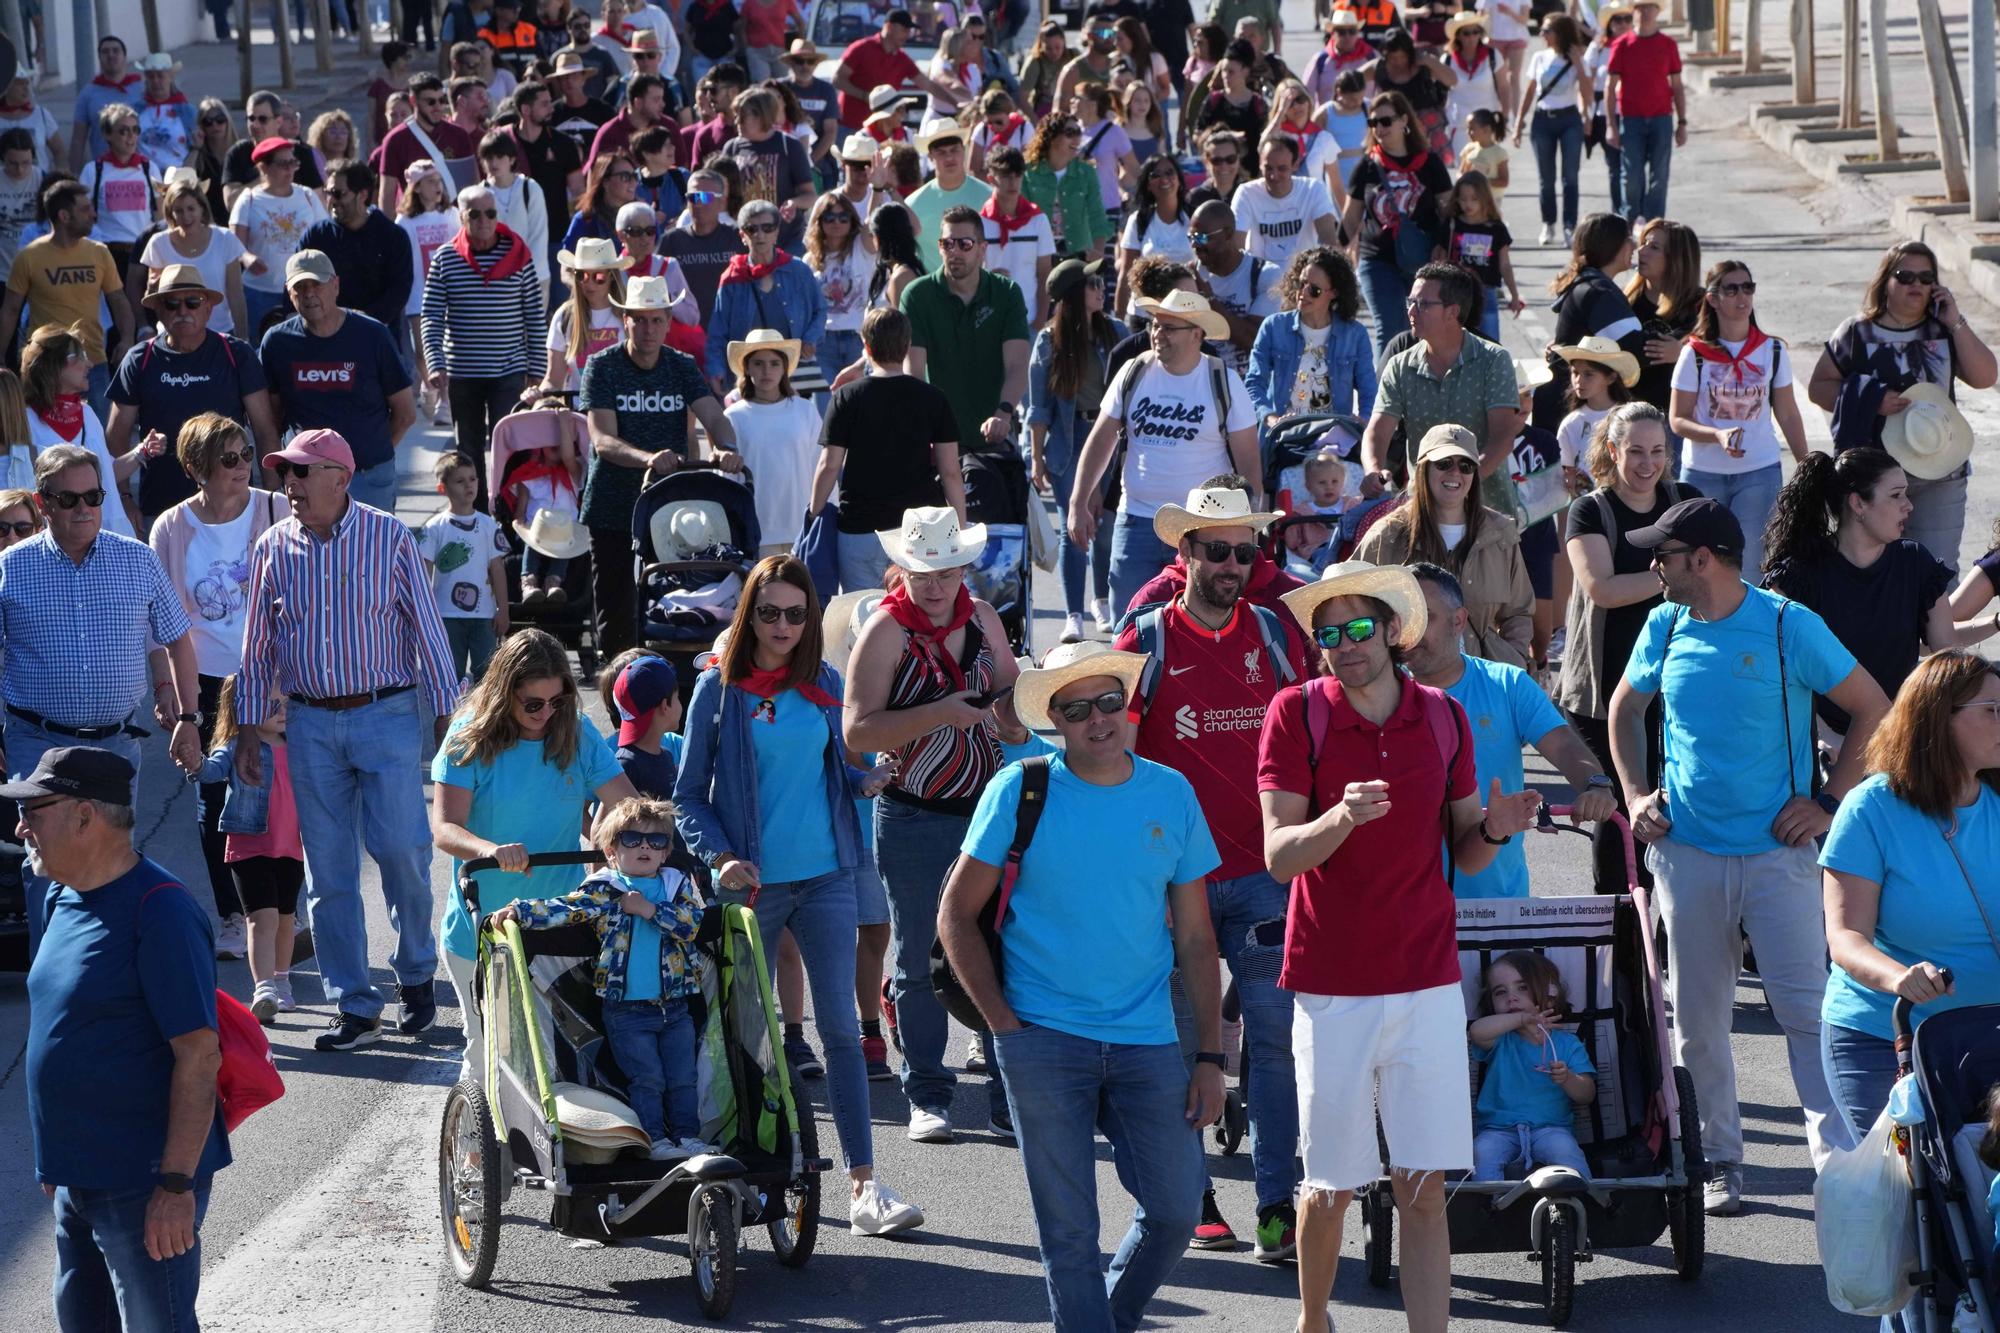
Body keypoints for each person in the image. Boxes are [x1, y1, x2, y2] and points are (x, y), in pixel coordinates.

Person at [1260, 559, 1542, 1333]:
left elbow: (1466, 848)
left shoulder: (1444, 717)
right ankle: (1313, 1321)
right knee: (1329, 1186)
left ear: (1392, 630)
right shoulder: (1296, 713)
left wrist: (1495, 828)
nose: (1344, 646)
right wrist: (1339, 818)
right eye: (1328, 635)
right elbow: (1280, 855)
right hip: (1332, 985)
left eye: (1358, 628)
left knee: (1423, 1189)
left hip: (1426, 982)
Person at [1607, 496, 1890, 1213]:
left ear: (1703, 560)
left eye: (1664, 555)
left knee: (1807, 1014)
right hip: (1687, 856)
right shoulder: (1664, 624)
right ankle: (1718, 1160)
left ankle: (1840, 1167)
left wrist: (1829, 801)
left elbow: (1874, 706)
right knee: (1698, 1023)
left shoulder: (1790, 625)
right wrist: (1635, 795)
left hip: (1777, 860)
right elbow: (1623, 709)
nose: (1654, 567)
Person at [939, 639, 1225, 1326]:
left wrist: (1211, 1057)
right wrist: (1003, 1026)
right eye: (1076, 709)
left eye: (1109, 701)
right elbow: (955, 913)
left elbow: (1195, 938)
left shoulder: (1172, 791)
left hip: (1147, 1038)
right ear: (1055, 720)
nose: (1097, 719)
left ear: (1128, 705)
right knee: (1069, 1235)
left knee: (1176, 1211)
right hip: (1041, 1037)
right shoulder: (1020, 789)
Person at [673, 555, 930, 1229]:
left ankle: (864, 1187)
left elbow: (841, 768)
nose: (783, 625)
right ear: (749, 614)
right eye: (769, 612)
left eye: (795, 613)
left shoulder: (824, 682)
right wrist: (722, 857)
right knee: (743, 1036)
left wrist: (868, 779)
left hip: (828, 878)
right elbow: (687, 798)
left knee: (841, 1030)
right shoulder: (718, 689)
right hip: (752, 889)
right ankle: (742, 1168)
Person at [1107, 484, 1309, 1260]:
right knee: (1186, 1048)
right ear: (1184, 552)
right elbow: (1115, 763)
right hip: (1175, 884)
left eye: (1244, 552)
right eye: (1216, 549)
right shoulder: (1146, 638)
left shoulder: (1275, 632)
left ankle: (1277, 1204)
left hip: (1264, 875)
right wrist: (1139, 877)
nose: (1232, 564)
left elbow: (1307, 744)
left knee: (1276, 1043)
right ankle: (1193, 1196)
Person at [237, 427, 461, 1053]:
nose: (289, 484)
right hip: (308, 723)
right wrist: (249, 730)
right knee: (328, 872)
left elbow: (427, 627)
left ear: (341, 476)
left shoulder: (388, 536)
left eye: (301, 472)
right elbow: (257, 646)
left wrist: (447, 715)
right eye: (285, 472)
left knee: (402, 851)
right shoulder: (273, 546)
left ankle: (415, 974)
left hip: (385, 711)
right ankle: (355, 1006)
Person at [20, 746, 231, 1333]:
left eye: (33, 812)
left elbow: (199, 1056)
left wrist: (175, 1187)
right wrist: (57, 1154)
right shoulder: (60, 896)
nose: (21, 829)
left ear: (85, 816)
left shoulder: (160, 911)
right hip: (76, 1177)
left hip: (143, 1184)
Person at [844, 507, 1021, 1142]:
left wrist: (1013, 719)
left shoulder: (984, 618)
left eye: (946, 572)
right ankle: (927, 1093)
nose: (935, 585)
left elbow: (1012, 694)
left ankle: (1005, 1096)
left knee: (995, 952)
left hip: (986, 814)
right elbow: (858, 731)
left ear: (963, 568)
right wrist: (941, 711)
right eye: (922, 573)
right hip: (913, 816)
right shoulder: (886, 630)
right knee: (919, 956)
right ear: (903, 570)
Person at [1819, 649, 2000, 1142]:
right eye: (1992, 709)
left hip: (1989, 1038)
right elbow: (1846, 937)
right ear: (1940, 718)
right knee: (1913, 1183)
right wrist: (1900, 977)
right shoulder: (1870, 808)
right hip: (1886, 1040)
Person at [430, 629, 634, 1064]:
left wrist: (643, 840)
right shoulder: (467, 736)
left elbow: (627, 806)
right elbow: (445, 828)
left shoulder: (576, 731)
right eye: (533, 704)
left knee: (558, 1056)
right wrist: (491, 850)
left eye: (557, 701)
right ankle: (475, 1109)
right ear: (504, 693)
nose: (546, 713)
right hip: (483, 929)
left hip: (559, 925)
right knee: (490, 1055)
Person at [148, 411, 292, 963]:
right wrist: (167, 688)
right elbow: (159, 620)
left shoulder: (275, 508)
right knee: (215, 798)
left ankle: (285, 909)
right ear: (196, 467)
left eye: (246, 454)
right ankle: (235, 914)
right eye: (228, 458)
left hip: (276, 676)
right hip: (207, 682)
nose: (242, 465)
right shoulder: (171, 527)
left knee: (287, 792)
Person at [493, 795, 710, 1157]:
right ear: (611, 851)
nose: (644, 847)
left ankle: (689, 1138)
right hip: (626, 1010)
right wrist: (521, 911)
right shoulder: (605, 888)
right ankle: (655, 1140)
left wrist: (649, 909)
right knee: (647, 1078)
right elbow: (565, 908)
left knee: (683, 1077)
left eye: (655, 841)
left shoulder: (677, 885)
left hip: (675, 1006)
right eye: (632, 839)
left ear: (665, 853)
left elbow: (692, 925)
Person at [1403, 561, 1616, 896]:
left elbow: (1564, 746)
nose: (1410, 630)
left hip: (1498, 906)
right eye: (1403, 617)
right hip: (1405, 908)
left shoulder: (1506, 684)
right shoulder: (1382, 695)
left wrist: (1596, 784)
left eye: (1424, 617)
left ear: (1458, 621)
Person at [1555, 401, 1690, 890]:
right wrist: (1676, 574)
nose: (1647, 463)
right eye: (1635, 451)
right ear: (1612, 451)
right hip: (1603, 691)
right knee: (1619, 812)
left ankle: (1664, 924)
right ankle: (1617, 928)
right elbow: (1603, 589)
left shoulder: (1685, 500)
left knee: (1675, 811)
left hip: (1674, 689)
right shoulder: (1590, 510)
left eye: (1657, 451)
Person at [1806, 240, 1998, 570]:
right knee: (1875, 571)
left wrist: (1956, 320)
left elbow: (1986, 376)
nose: (1916, 284)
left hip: (1941, 471)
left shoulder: (1944, 330)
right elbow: (1818, 387)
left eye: (1926, 278)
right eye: (1905, 276)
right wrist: (1871, 400)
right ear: (1886, 282)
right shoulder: (1857, 331)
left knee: (1937, 571)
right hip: (1874, 480)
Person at [1067, 288, 1260, 616]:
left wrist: (1248, 530)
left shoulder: (1223, 381)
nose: (1158, 334)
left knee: (1198, 623)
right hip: (1137, 520)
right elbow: (1101, 440)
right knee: (1128, 622)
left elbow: (1250, 465)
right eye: (1154, 325)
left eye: (1169, 328)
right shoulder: (1134, 372)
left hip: (1203, 528)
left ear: (1196, 334)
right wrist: (1078, 501)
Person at [580, 275, 737, 655]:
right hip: (613, 503)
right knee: (616, 610)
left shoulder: (681, 365)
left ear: (668, 322)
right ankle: (617, 679)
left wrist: (727, 448)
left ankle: (669, 678)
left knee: (674, 601)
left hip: (668, 508)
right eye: (640, 319)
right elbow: (602, 440)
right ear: (626, 320)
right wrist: (648, 458)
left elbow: (715, 417)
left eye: (656, 320)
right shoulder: (601, 365)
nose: (648, 328)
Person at [1761, 448, 1956, 737]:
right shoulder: (1797, 577)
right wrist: (1826, 739)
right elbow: (1773, 671)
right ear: (1858, 504)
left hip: (1898, 734)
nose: (1909, 506)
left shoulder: (1916, 562)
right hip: (1819, 739)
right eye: (1896, 495)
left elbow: (1948, 660)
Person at [107, 265, 280, 525]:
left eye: (193, 302)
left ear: (208, 308)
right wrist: (124, 498)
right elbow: (116, 436)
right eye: (172, 303)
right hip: (161, 507)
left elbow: (265, 430)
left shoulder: (236, 354)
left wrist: (271, 502)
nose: (183, 311)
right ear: (158, 309)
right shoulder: (140, 359)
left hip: (233, 508)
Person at [1666, 260, 1807, 577]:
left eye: (1748, 287)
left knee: (1750, 569)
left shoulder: (1771, 350)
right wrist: (1716, 435)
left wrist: (1806, 464)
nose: (1742, 296)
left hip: (1760, 472)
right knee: (1698, 568)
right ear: (1713, 299)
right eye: (1731, 289)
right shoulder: (1694, 353)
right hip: (1702, 474)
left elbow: (1787, 413)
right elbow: (1678, 419)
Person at [811, 308, 967, 594]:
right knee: (917, 613)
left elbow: (829, 465)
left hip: (860, 527)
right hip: (920, 531)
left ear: (866, 347)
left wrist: (814, 513)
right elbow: (950, 472)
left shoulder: (846, 397)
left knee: (862, 612)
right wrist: (960, 527)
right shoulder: (934, 398)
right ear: (907, 346)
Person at [1357, 423, 1534, 666]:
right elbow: (1355, 608)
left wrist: (1514, 659)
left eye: (1466, 465)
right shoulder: (1387, 534)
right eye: (1444, 463)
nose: (1455, 473)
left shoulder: (1500, 533)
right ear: (1423, 469)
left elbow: (1518, 612)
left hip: (1482, 677)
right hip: (1409, 679)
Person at [260, 250, 419, 516]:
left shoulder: (373, 335)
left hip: (368, 477)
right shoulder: (276, 342)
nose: (309, 293)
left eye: (316, 284)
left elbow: (406, 414)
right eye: (300, 287)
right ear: (289, 292)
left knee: (371, 544)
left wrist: (372, 454)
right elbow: (271, 416)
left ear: (335, 285)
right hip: (305, 478)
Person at [422, 185, 544, 502]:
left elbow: (534, 314)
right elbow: (431, 315)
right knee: (468, 449)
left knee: (510, 445)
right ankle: (475, 514)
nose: (484, 221)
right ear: (461, 217)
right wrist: (435, 361)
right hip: (463, 372)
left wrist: (537, 368)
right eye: (475, 214)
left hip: (509, 370)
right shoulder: (446, 258)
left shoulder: (518, 254)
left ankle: (508, 510)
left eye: (490, 213)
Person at [1363, 262, 1521, 505]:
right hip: (1423, 508)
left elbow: (1502, 437)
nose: (1411, 311)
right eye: (1410, 302)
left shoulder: (1494, 360)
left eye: (1423, 304)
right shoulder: (1399, 366)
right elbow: (1377, 430)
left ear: (1452, 312)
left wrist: (1461, 483)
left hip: (1487, 507)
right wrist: (1373, 469)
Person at [195, 674, 305, 1017]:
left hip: (292, 846)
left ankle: (282, 982)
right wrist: (193, 762)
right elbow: (211, 772)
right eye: (273, 705)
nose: (282, 711)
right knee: (261, 919)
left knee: (285, 919)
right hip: (248, 845)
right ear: (245, 707)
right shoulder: (236, 746)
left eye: (286, 703)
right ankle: (264, 988)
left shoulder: (299, 744)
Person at [1028, 258, 1123, 642]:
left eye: (1101, 281)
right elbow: (1038, 408)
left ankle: (1101, 601)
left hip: (1111, 439)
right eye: (1092, 283)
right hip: (1068, 442)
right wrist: (1036, 457)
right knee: (1075, 529)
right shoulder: (1049, 340)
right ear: (1072, 293)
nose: (1101, 288)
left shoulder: (1115, 331)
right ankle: (1073, 616)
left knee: (1105, 527)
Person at [900, 206, 1031, 464]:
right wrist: (925, 425)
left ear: (982, 249)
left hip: (994, 433)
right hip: (939, 437)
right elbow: (913, 372)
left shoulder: (1006, 293)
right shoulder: (917, 295)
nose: (955, 251)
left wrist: (1003, 413)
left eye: (965, 244)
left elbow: (1017, 365)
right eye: (947, 244)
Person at [0, 178, 136, 419]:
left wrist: (127, 339)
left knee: (97, 434)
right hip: (46, 366)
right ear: (64, 216)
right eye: (85, 209)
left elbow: (118, 300)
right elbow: (10, 310)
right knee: (41, 434)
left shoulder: (99, 252)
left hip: (93, 362)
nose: (93, 214)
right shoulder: (28, 257)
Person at [1338, 92, 1453, 360]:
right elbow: (1350, 218)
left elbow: (1449, 210)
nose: (1379, 128)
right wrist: (1336, 260)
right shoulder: (1367, 166)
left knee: (1423, 329)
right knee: (1390, 328)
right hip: (1377, 259)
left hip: (1422, 260)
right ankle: (1386, 386)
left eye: (1386, 121)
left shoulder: (1429, 163)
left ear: (1404, 120)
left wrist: (1442, 244)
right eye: (1373, 123)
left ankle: (1420, 382)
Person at [1467, 949, 1597, 1179]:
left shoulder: (1567, 1044)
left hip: (1551, 1129)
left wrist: (1567, 1078)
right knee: (1481, 1152)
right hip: (1498, 1130)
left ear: (1549, 996)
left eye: (1522, 988)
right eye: (1500, 992)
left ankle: (1580, 1197)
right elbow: (1476, 1032)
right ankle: (1489, 1200)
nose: (1511, 998)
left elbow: (1586, 1094)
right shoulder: (1501, 1039)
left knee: (1566, 1150)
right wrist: (1521, 1018)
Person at [1247, 245, 1374, 441]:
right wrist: (1270, 418)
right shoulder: (1273, 327)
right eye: (1301, 283)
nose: (1303, 293)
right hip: (1283, 437)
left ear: (1334, 293)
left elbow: (1369, 391)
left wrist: (1363, 421)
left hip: (1333, 438)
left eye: (1314, 290)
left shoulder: (1355, 335)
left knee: (1340, 463)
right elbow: (1254, 382)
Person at [1531, 213, 1643, 434]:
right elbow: (1635, 347)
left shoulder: (1591, 283)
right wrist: (1679, 345)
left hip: (1564, 403)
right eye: (1628, 238)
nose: (1635, 245)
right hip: (1568, 411)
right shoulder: (1598, 291)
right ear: (1611, 245)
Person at [21, 330, 135, 540]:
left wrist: (142, 453)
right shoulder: (25, 420)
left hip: (109, 536)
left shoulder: (88, 414)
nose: (89, 364)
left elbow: (105, 474)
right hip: (59, 539)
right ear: (56, 365)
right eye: (81, 357)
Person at [706, 199, 825, 393]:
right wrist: (716, 369)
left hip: (794, 372)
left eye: (767, 228)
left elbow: (820, 310)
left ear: (777, 232)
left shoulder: (798, 271)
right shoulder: (732, 278)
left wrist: (810, 339)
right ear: (742, 235)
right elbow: (717, 331)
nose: (760, 235)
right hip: (749, 375)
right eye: (752, 229)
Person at [723, 330, 820, 553]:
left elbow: (820, 466)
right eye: (758, 363)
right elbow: (727, 479)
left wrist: (824, 517)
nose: (767, 371)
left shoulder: (806, 410)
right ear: (746, 368)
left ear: (785, 368)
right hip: (755, 531)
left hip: (803, 529)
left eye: (774, 363)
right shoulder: (733, 417)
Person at [419, 451, 511, 681]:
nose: (468, 485)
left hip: (484, 615)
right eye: (459, 481)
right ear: (443, 488)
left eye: (472, 479)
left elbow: (497, 569)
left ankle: (483, 706)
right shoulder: (434, 528)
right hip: (445, 614)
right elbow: (423, 572)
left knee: (487, 676)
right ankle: (451, 705)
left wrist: (503, 610)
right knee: (450, 674)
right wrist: (424, 613)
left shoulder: (488, 525)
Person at [230, 136, 329, 335]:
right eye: (283, 164)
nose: (290, 169)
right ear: (263, 167)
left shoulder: (308, 196)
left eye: (293, 163)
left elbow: (324, 236)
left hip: (302, 289)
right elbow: (235, 244)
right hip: (259, 292)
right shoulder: (249, 199)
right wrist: (248, 259)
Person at [1511, 13, 1591, 247]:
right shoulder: (1539, 57)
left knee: (1570, 177)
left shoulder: (1577, 57)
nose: (1542, 34)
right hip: (1543, 120)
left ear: (1560, 33)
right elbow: (1530, 92)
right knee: (1546, 179)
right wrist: (1518, 123)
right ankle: (1548, 223)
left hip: (1569, 119)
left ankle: (1570, 226)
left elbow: (1587, 93)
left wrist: (1579, 65)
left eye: (1547, 30)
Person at [1601, 0, 1683, 222]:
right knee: (1631, 177)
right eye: (1640, 7)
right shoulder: (1622, 44)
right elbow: (1610, 87)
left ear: (1658, 11)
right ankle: (1631, 223)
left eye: (1650, 7)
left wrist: (1682, 122)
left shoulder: (1668, 44)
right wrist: (1611, 125)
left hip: (1661, 118)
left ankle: (1654, 225)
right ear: (1633, 11)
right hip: (1632, 120)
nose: (1645, 12)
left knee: (1660, 176)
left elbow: (1677, 85)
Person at [141, 179, 250, 338]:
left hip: (219, 332)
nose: (186, 216)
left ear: (202, 208)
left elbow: (236, 294)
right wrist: (152, 287)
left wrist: (242, 338)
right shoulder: (158, 243)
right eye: (178, 211)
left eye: (191, 209)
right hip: (174, 335)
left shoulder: (225, 238)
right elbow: (152, 298)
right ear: (170, 213)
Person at [1189, 198, 1278, 380]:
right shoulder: (1189, 277)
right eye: (1191, 237)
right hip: (1205, 385)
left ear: (1228, 234)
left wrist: (1209, 301)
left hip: (1252, 386)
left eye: (1201, 237)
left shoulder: (1265, 274)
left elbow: (1255, 341)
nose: (1195, 245)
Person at [1621, 216, 1701, 418]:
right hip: (1632, 416)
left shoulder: (1703, 304)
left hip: (1684, 418)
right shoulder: (1624, 302)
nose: (1641, 251)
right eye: (1643, 243)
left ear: (1677, 258)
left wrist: (1685, 354)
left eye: (1654, 247)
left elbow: (1730, 355)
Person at [720, 87, 817, 252]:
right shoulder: (732, 148)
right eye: (736, 116)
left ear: (762, 116)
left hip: (786, 241)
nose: (736, 122)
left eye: (742, 117)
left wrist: (794, 203)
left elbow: (810, 195)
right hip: (745, 241)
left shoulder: (789, 146)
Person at [833, 10, 951, 131]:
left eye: (909, 31)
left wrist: (954, 102)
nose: (907, 35)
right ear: (889, 26)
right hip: (850, 125)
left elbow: (928, 85)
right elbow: (837, 79)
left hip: (882, 130)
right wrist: (864, 96)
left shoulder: (903, 60)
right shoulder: (861, 48)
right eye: (904, 30)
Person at [661, 166, 747, 330]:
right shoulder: (671, 242)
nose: (698, 203)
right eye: (693, 197)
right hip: (687, 334)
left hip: (731, 331)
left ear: (721, 202)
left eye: (705, 197)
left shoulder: (739, 239)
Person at [375, 74, 476, 214]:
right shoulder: (395, 139)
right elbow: (387, 195)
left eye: (442, 100)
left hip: (453, 220)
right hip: (413, 220)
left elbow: (473, 185)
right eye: (431, 102)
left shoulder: (459, 135)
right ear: (413, 101)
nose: (438, 107)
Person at [1439, 171, 1520, 341]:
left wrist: (1514, 295)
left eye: (1474, 199)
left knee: (1490, 344)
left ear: (1485, 198)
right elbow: (1441, 258)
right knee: (1457, 344)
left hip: (1486, 292)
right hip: (1457, 293)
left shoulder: (1496, 228)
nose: (1468, 204)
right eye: (1463, 199)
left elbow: (1504, 264)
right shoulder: (1453, 224)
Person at [1022, 113, 1113, 260]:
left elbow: (1097, 218)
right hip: (1037, 255)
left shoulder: (1087, 173)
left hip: (1078, 255)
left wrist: (1097, 253)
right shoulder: (1027, 172)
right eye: (1070, 133)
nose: (1077, 139)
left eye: (1079, 133)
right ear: (1051, 137)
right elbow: (1020, 217)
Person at [544, 237, 630, 392]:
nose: (589, 283)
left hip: (621, 406)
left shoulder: (630, 315)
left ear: (612, 276)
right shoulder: (565, 316)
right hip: (577, 406)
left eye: (598, 277)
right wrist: (534, 395)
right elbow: (553, 381)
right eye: (581, 276)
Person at [477, 133, 551, 310]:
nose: (494, 163)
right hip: (495, 280)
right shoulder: (479, 194)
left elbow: (539, 236)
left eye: (499, 156)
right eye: (489, 158)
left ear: (511, 159)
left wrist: (524, 272)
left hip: (534, 276)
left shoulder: (530, 188)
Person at [808, 193, 874, 376]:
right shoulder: (809, 260)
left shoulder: (861, 248)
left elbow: (870, 222)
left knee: (859, 393)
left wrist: (877, 189)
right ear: (819, 221)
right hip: (824, 341)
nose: (836, 223)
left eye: (843, 218)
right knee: (827, 395)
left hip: (858, 337)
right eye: (829, 218)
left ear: (852, 220)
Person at [906, 118, 995, 252]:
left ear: (964, 151)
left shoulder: (989, 197)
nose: (949, 158)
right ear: (930, 157)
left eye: (954, 150)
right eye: (941, 152)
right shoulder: (913, 205)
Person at [70, 34, 145, 172]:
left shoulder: (142, 89)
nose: (111, 55)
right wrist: (73, 174)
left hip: (140, 168)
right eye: (105, 52)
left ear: (125, 57)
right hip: (104, 169)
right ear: (99, 58)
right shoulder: (87, 94)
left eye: (116, 51)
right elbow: (78, 140)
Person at [0, 69, 62, 174]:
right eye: (20, 84)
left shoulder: (41, 115)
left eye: (27, 83)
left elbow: (59, 150)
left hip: (38, 182)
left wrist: (61, 174)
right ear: (5, 86)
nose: (26, 88)